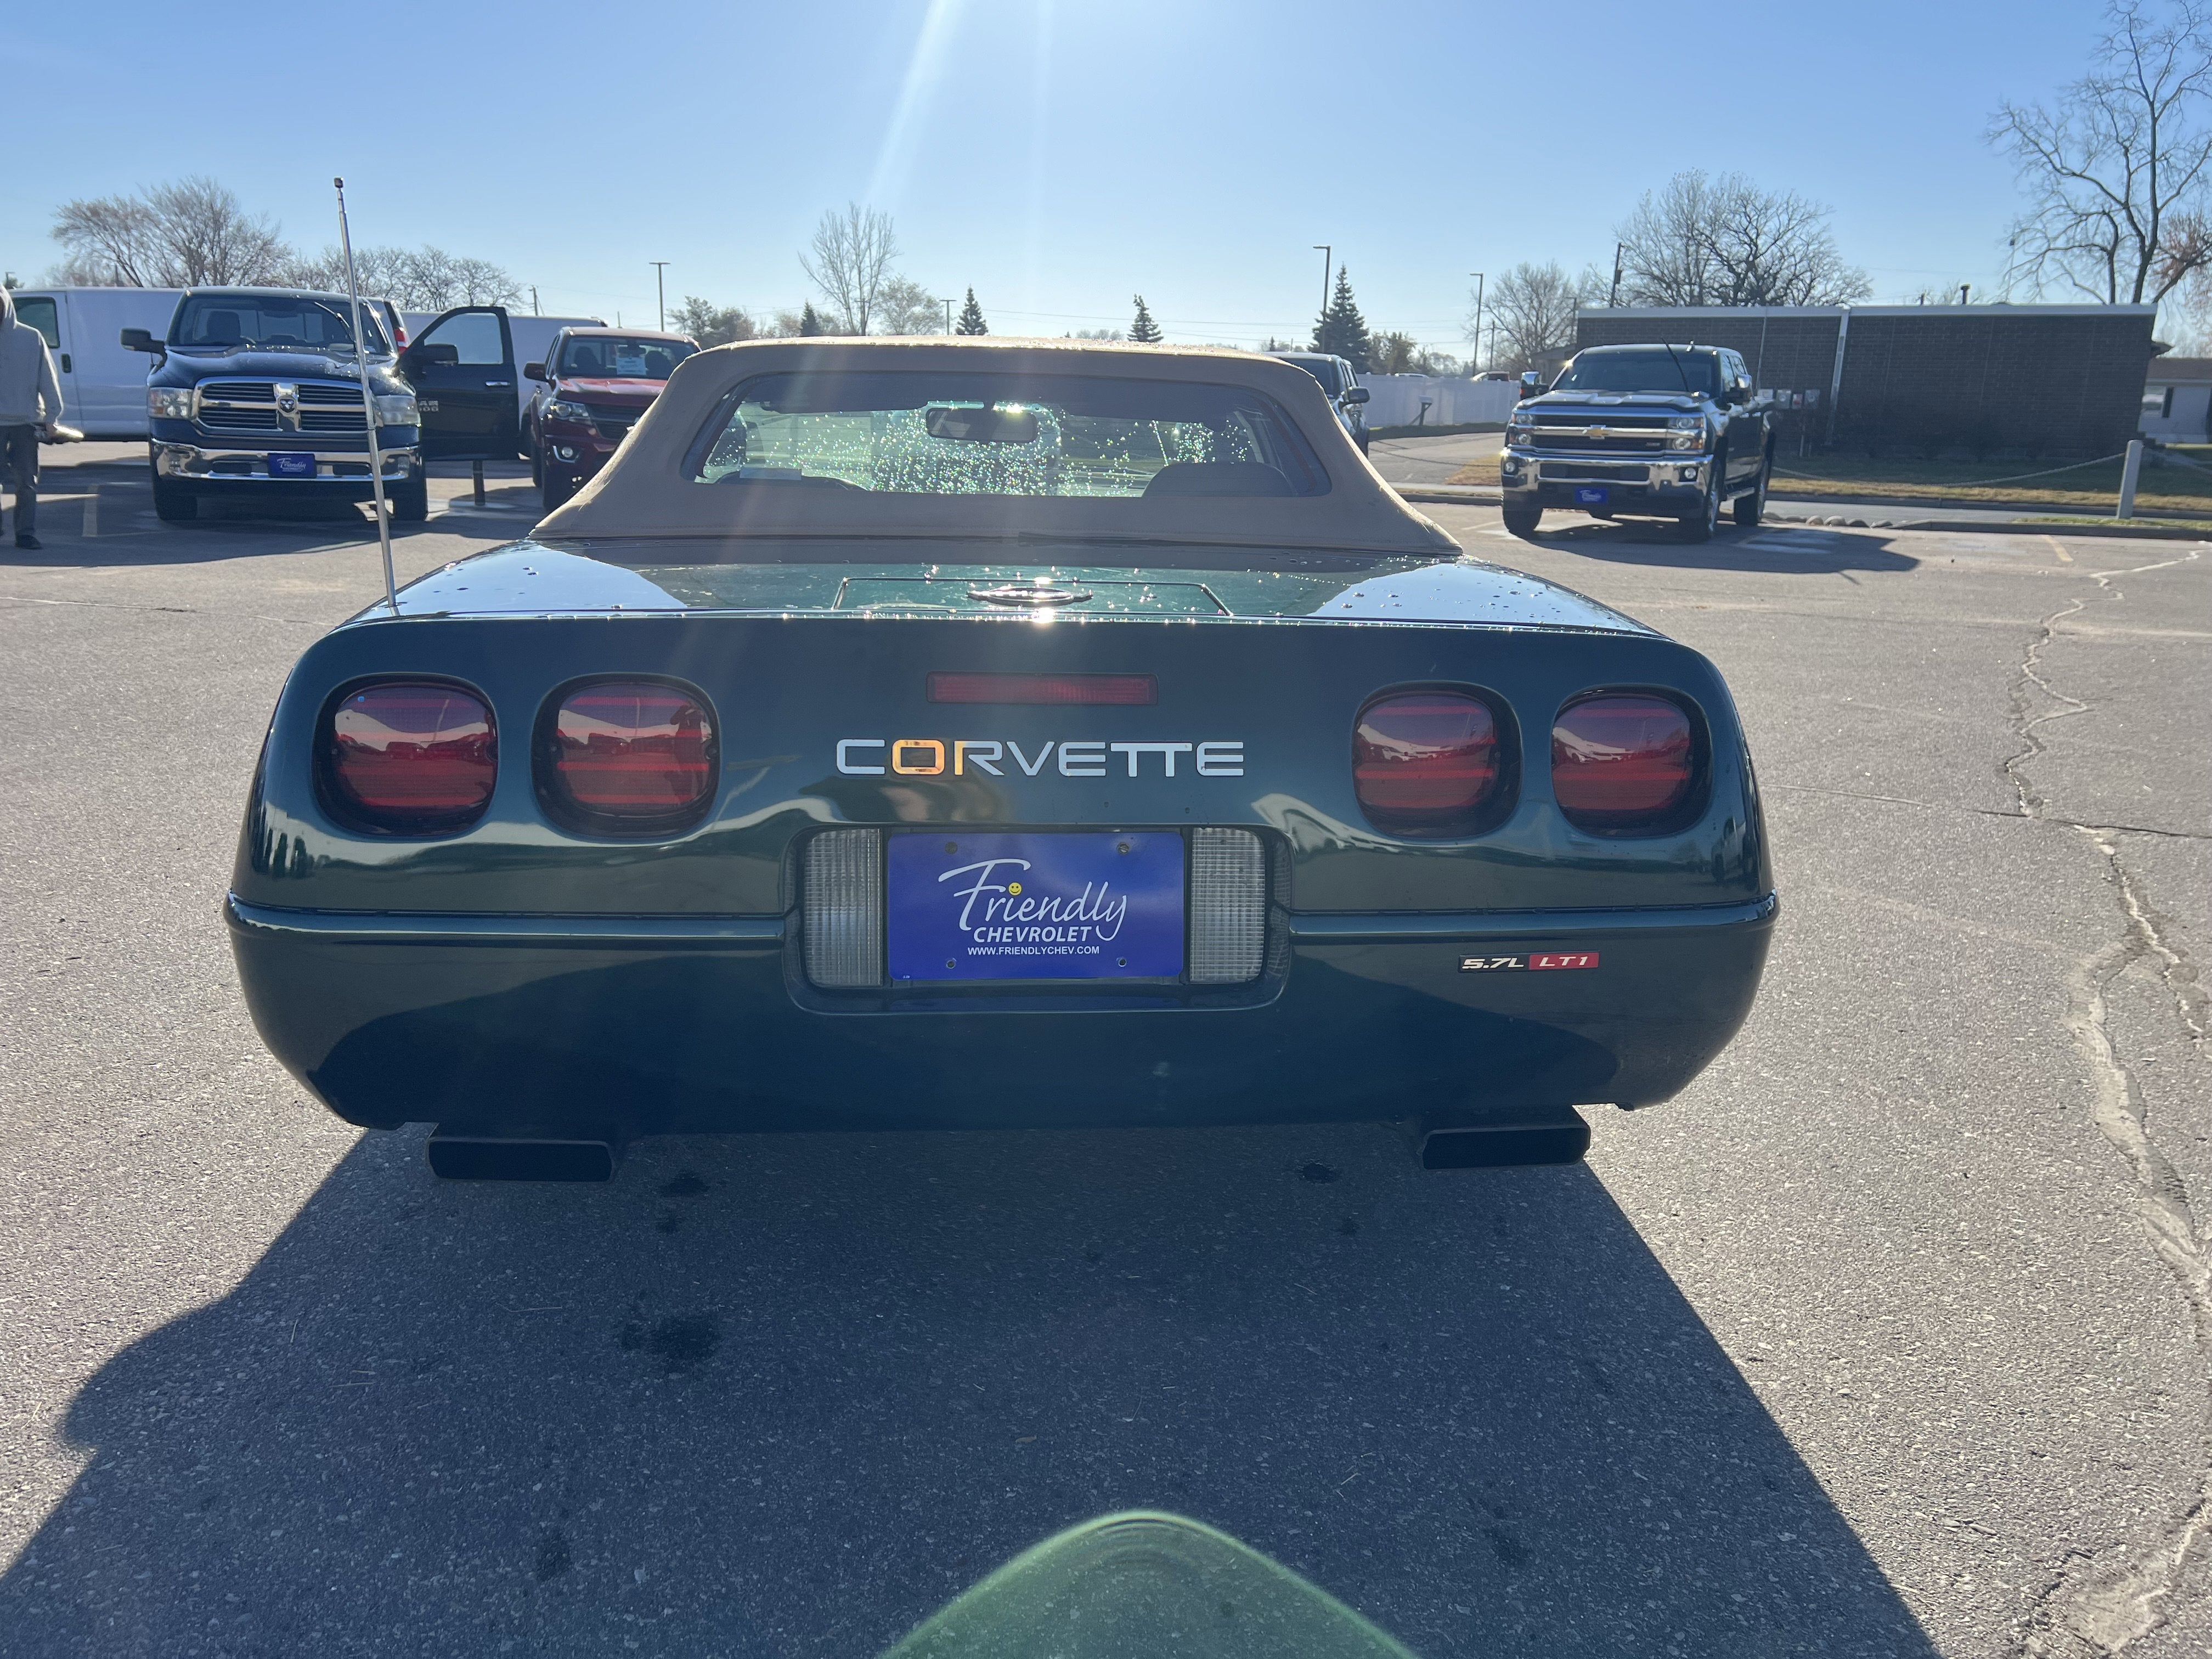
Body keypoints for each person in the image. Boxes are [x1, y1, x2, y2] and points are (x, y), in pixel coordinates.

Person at [0, 287, 64, 550]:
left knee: (26, 483)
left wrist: (52, 416)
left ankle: (25, 533)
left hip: (25, 424)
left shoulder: (30, 338)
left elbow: (47, 379)